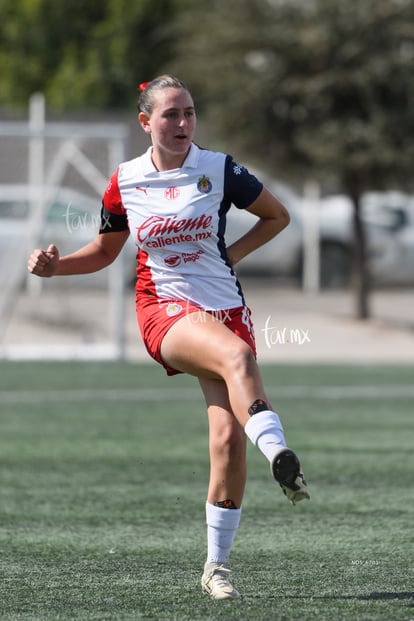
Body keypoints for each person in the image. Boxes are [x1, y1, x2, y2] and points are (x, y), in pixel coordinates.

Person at [28, 74, 309, 601]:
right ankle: (280, 453)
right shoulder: (125, 181)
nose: (183, 123)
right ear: (145, 122)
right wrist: (55, 267)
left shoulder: (219, 168)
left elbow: (278, 216)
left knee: (227, 440)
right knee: (238, 356)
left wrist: (235, 256)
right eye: (171, 115)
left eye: (189, 113)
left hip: (226, 308)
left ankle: (216, 568)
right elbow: (107, 252)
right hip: (164, 308)